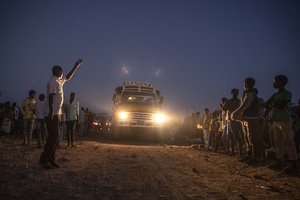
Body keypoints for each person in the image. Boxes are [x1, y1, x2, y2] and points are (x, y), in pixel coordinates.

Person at [39, 58, 83, 169]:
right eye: (60, 71)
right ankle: (44, 159)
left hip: (56, 113)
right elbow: (51, 96)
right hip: (51, 113)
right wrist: (52, 112)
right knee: (54, 136)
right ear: (56, 72)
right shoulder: (53, 80)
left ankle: (50, 159)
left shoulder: (59, 81)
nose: (62, 72)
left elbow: (67, 77)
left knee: (54, 136)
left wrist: (75, 66)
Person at [264, 75, 297, 172]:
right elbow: (268, 104)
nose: (274, 83)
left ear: (282, 82)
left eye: (275, 81)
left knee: (289, 141)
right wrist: (272, 104)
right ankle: (279, 161)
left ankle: (294, 163)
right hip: (276, 121)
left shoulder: (287, 93)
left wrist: (272, 104)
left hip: (285, 120)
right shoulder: (275, 95)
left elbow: (281, 106)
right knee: (278, 142)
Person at [232, 78, 265, 164]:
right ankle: (250, 155)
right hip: (247, 118)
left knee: (253, 138)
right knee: (248, 137)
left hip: (252, 118)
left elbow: (244, 105)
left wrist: (235, 114)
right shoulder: (248, 93)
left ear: (246, 84)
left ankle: (256, 157)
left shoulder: (250, 94)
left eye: (245, 83)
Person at [223, 89, 244, 156]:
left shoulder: (239, 101)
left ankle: (241, 152)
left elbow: (226, 108)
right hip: (229, 120)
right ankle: (232, 151)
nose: (235, 94)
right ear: (231, 93)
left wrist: (230, 107)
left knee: (236, 136)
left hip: (236, 120)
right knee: (230, 136)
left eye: (236, 92)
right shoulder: (229, 101)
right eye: (234, 92)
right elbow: (224, 108)